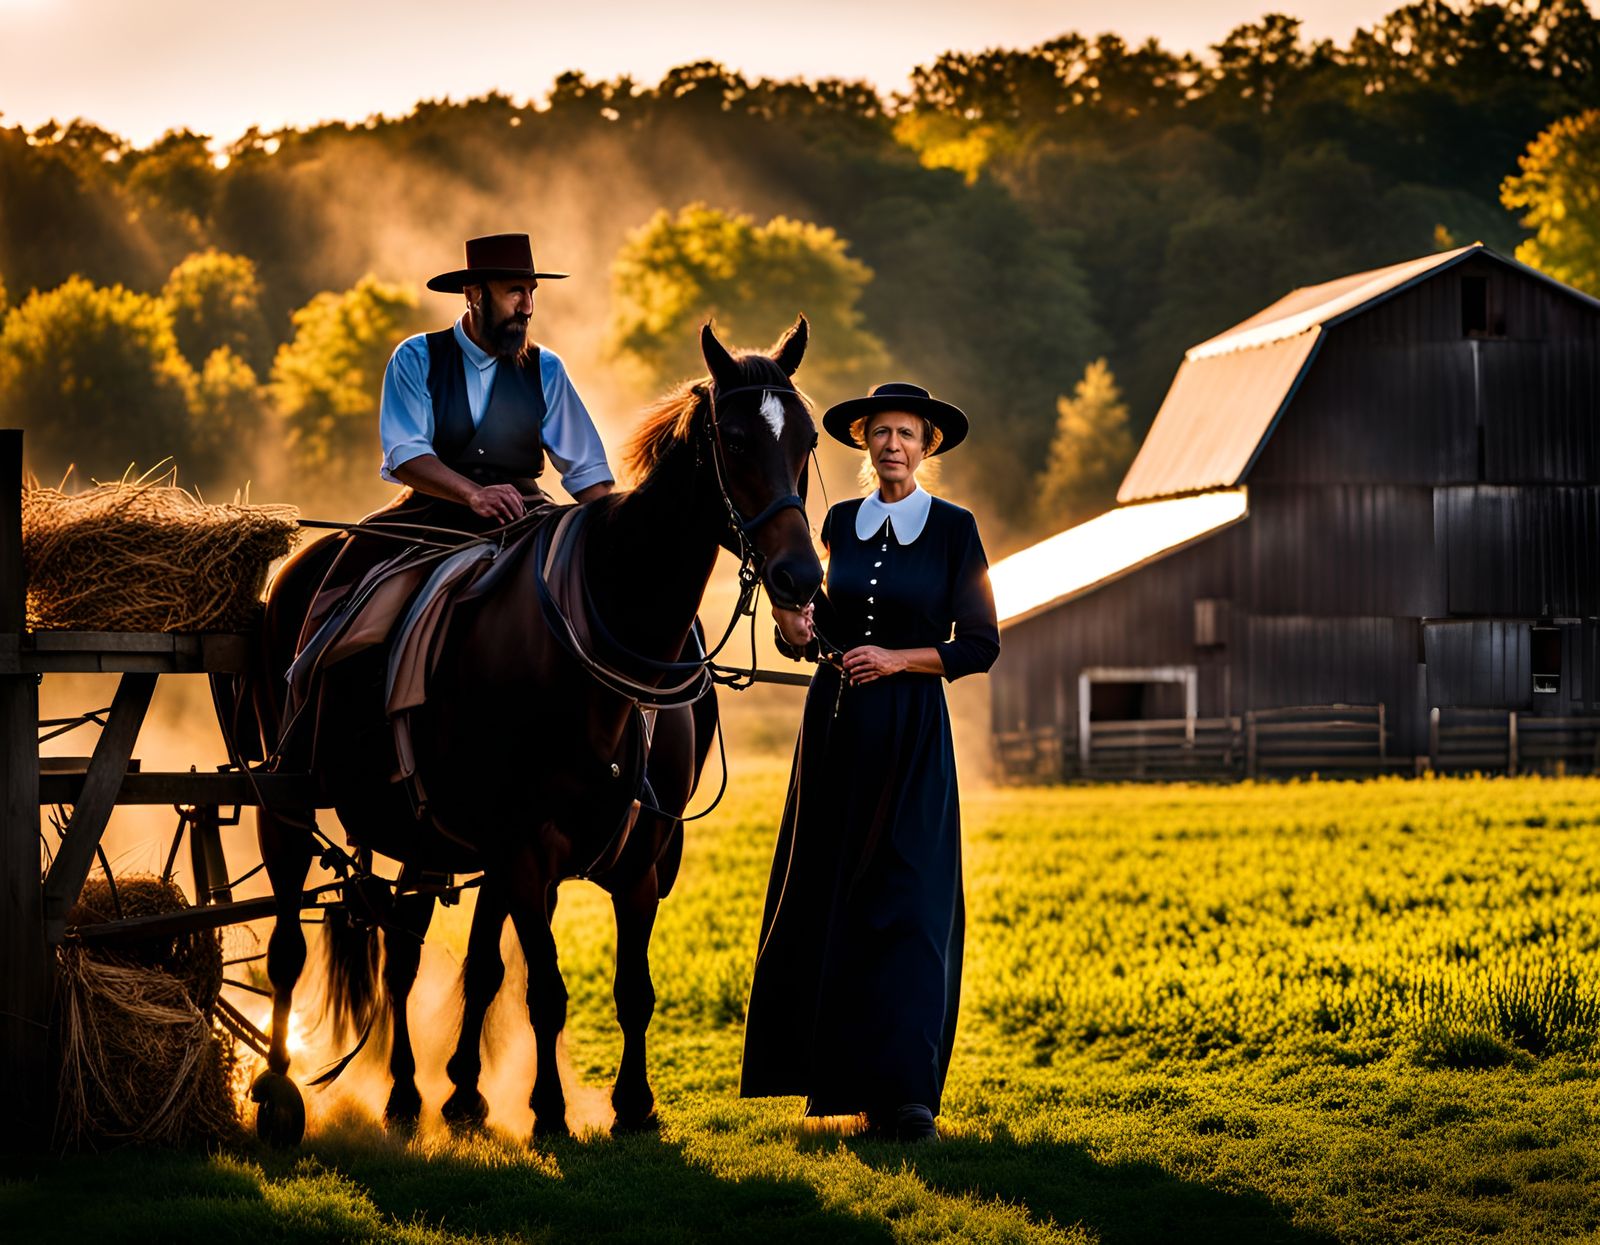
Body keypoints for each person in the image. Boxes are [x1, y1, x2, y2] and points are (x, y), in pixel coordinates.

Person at [740, 381, 1000, 1142]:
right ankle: (844, 1084)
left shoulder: (955, 529)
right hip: (838, 726)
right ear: (865, 443)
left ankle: (907, 1095)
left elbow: (979, 643)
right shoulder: (838, 524)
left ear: (926, 447)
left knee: (912, 905)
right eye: (881, 432)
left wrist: (896, 659)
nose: (892, 444)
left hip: (912, 732)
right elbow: (821, 629)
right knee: (837, 898)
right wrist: (795, 629)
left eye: (906, 433)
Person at [378, 231, 615, 527]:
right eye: (515, 292)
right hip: (428, 520)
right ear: (473, 295)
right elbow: (405, 454)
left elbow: (588, 474)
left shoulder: (546, 368)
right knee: (358, 555)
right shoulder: (416, 357)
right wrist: (474, 494)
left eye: (531, 292)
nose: (527, 307)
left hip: (524, 517)